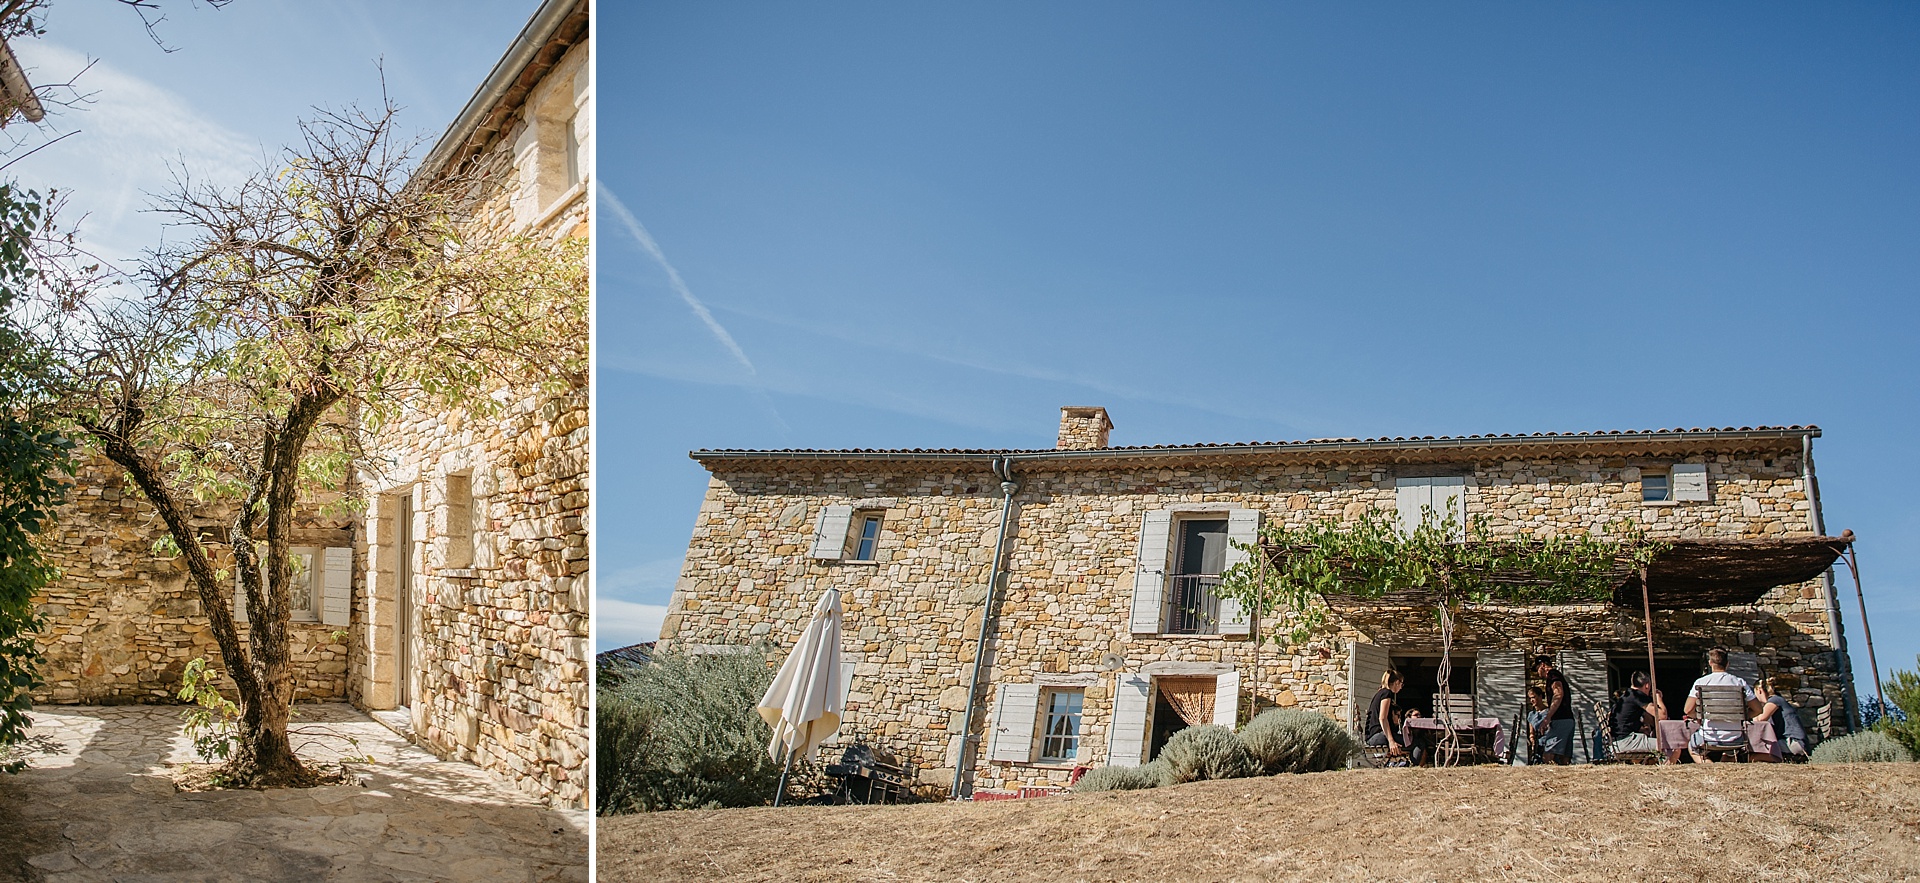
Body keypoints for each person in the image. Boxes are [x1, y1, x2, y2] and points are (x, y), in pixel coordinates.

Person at [1682, 646, 1766, 763]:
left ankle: (1709, 767)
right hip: (1735, 737)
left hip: (1709, 736)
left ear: (1710, 663)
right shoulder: (1740, 682)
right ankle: (1722, 768)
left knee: (1693, 747)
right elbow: (1758, 709)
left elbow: (1687, 709)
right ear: (1727, 664)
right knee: (1731, 751)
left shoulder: (1701, 682)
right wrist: (1742, 717)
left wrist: (1699, 717)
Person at [1365, 670, 1415, 766]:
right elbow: (1382, 718)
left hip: (1373, 737)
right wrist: (1391, 741)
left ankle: (1402, 764)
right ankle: (1416, 767)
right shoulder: (1387, 693)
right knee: (1417, 742)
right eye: (1401, 684)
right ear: (1397, 682)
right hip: (1379, 736)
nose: (1401, 687)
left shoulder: (1379, 693)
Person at [1532, 655, 1575, 765]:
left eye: (1537, 669)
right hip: (1568, 719)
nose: (1538, 673)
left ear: (1542, 665)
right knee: (1564, 758)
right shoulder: (1555, 675)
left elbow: (1558, 694)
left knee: (1548, 755)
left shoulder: (1553, 675)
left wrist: (1548, 717)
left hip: (1560, 720)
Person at [1609, 671, 1664, 755]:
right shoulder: (1638, 696)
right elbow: (1662, 715)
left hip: (1616, 742)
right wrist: (1658, 698)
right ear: (1647, 685)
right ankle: (1667, 766)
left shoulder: (1627, 695)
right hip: (1626, 742)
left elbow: (1649, 720)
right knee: (1666, 745)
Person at [1754, 676, 1808, 760]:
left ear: (1759, 691)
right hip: (1793, 742)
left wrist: (1753, 710)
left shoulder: (1774, 700)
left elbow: (1760, 719)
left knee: (1759, 747)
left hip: (1793, 742)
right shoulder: (1779, 699)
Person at [1521, 685, 1548, 765]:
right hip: (1537, 744)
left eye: (1533, 697)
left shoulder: (1548, 712)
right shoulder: (1531, 715)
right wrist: (1532, 742)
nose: (1531, 700)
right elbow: (1531, 732)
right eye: (1530, 698)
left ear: (1540, 697)